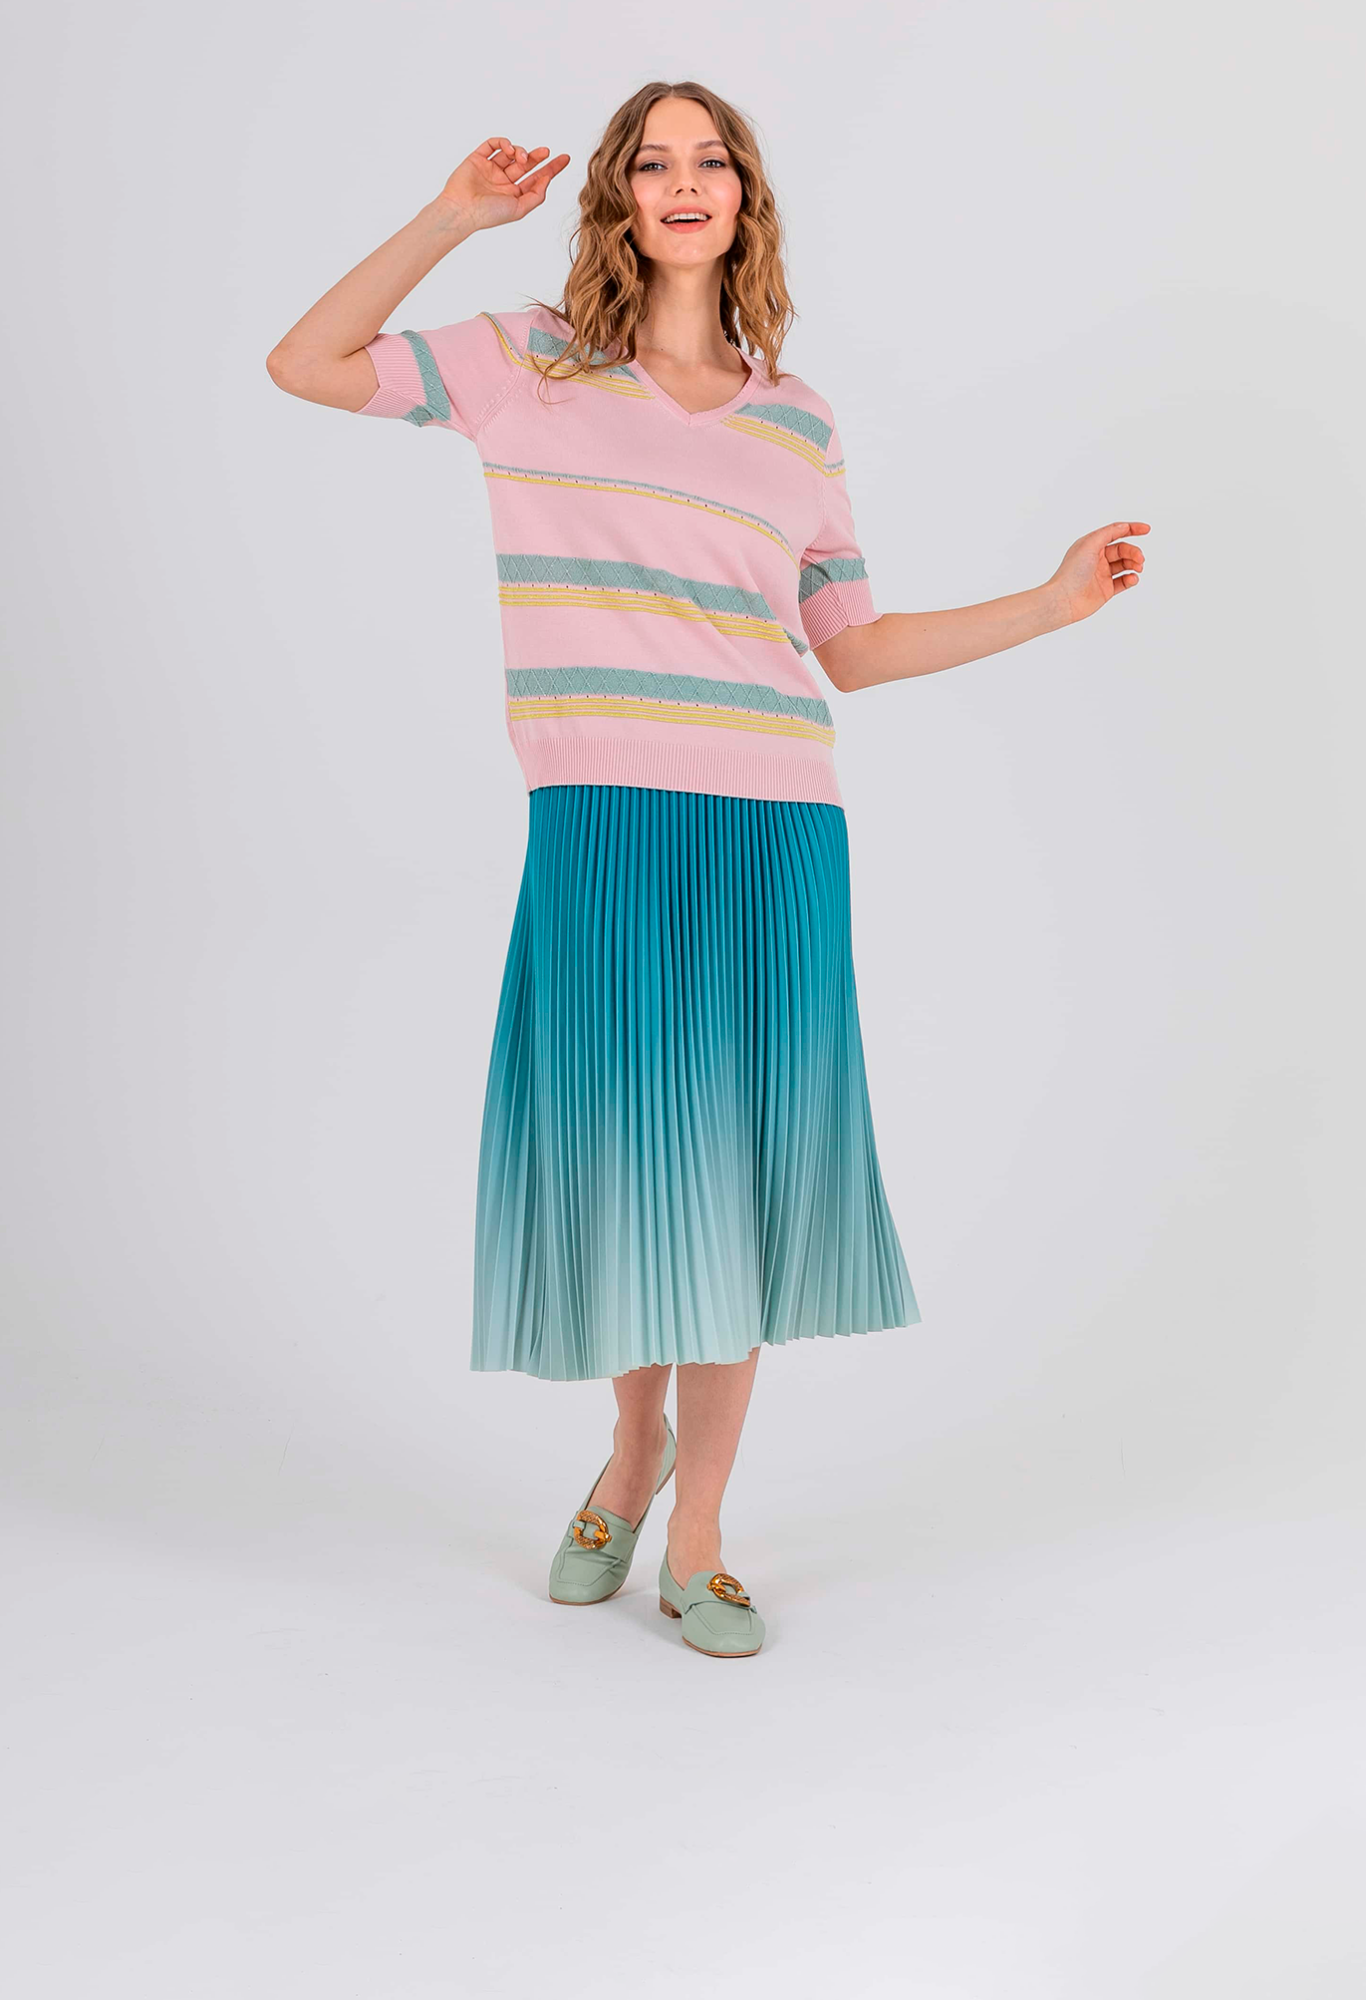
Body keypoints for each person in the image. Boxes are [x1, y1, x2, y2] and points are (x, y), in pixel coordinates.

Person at [266, 80, 1148, 1660]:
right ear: (617, 196)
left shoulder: (796, 419)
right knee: (631, 1162)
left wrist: (1048, 601)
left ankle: (700, 1533)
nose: (685, 183)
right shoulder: (530, 361)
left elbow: (850, 649)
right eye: (654, 162)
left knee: (738, 1174)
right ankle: (631, 1453)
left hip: (775, 826)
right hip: (603, 817)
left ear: (745, 196)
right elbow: (304, 363)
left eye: (712, 160)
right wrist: (453, 217)